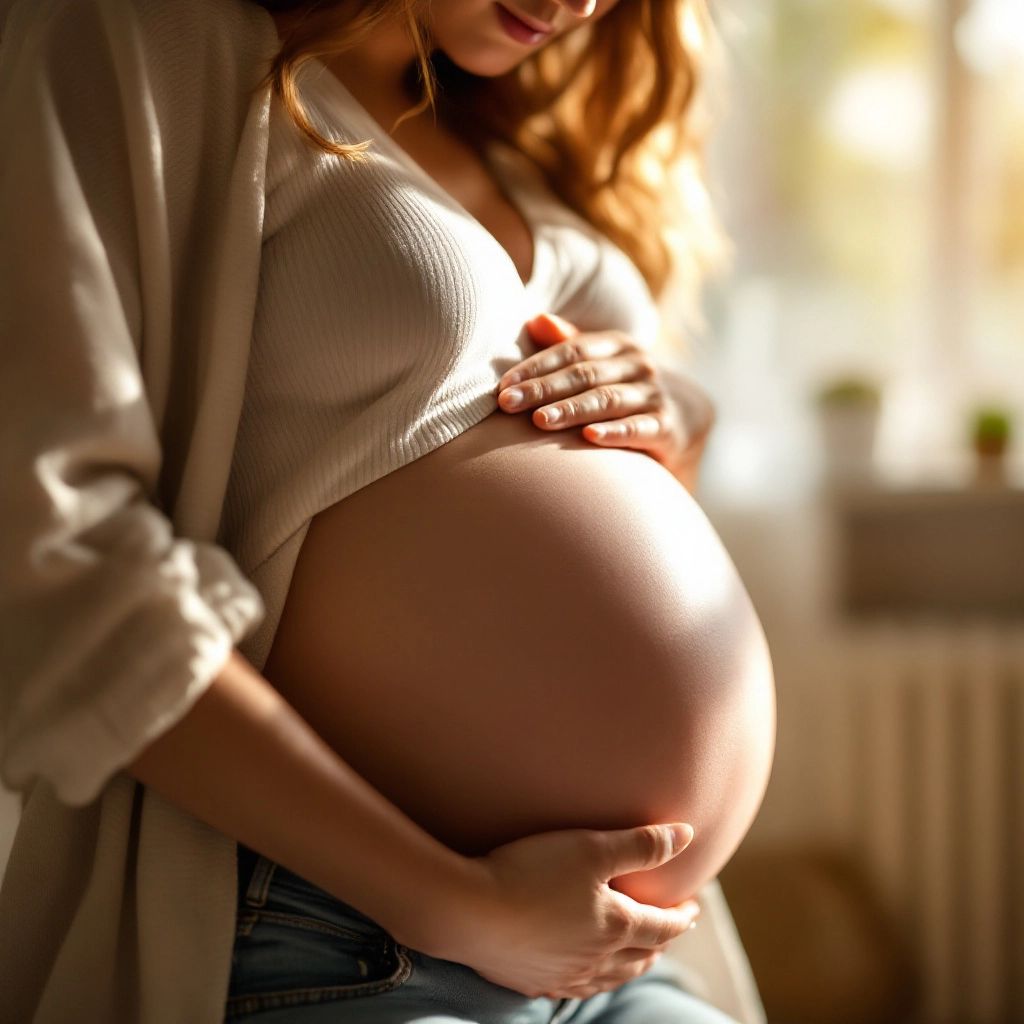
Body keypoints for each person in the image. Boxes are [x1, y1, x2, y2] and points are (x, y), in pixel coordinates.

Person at [0, 0, 773, 1022]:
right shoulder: (144, 34)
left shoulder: (502, 124)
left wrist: (680, 419)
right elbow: (54, 552)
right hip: (333, 933)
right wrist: (457, 906)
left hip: (619, 956)